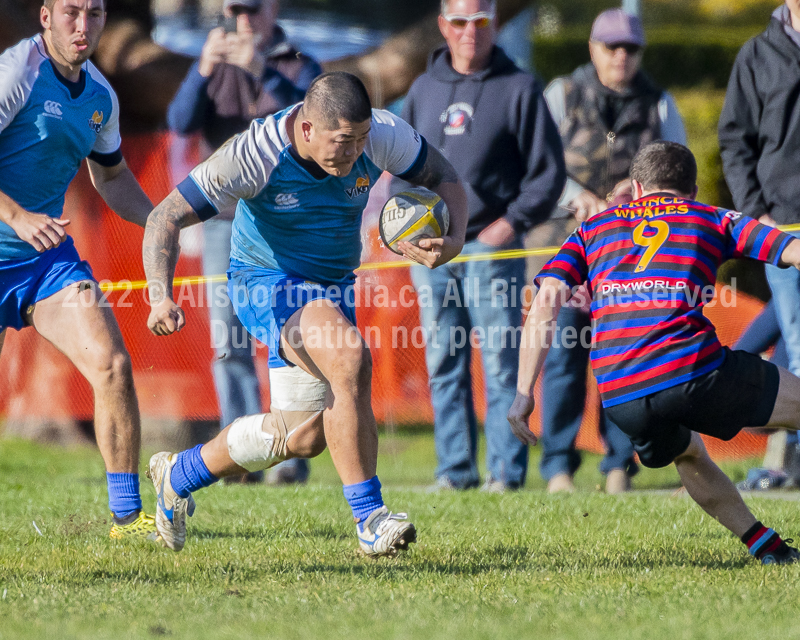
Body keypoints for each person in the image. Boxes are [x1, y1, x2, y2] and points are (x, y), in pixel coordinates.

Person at [142, 72, 468, 555]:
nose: (356, 152)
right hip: (265, 282)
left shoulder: (381, 133)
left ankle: (178, 475)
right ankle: (370, 519)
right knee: (349, 360)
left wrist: (455, 237)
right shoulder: (255, 154)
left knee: (299, 436)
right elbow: (164, 216)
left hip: (334, 287)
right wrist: (158, 294)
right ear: (309, 129)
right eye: (343, 141)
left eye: (361, 140)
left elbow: (445, 177)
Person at [509, 141, 800, 565]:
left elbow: (548, 294)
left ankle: (769, 548)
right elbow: (791, 252)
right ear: (693, 190)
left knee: (687, 452)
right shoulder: (711, 217)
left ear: (638, 188)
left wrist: (523, 392)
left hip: (621, 395)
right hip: (691, 368)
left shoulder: (594, 228)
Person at [0, 0, 156, 539]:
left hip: (44, 260)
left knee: (112, 366)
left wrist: (161, 220)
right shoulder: (18, 71)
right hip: (13, 236)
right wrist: (18, 217)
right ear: (45, 16)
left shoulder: (101, 96)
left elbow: (110, 180)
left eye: (94, 13)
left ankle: (127, 520)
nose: (83, 26)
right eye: (71, 12)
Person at [400, 0, 566, 492]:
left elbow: (548, 174)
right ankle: (454, 472)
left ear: (494, 24)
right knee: (443, 361)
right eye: (459, 22)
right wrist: (402, 226)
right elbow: (398, 165)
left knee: (499, 361)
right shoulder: (422, 89)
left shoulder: (520, 87)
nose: (469, 32)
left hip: (490, 249)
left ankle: (505, 474)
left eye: (480, 21)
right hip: (430, 250)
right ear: (442, 26)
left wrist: (510, 225)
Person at [167, 0, 322, 485]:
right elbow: (179, 121)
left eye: (252, 9)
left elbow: (311, 120)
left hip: (286, 219)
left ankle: (290, 454)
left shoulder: (297, 59)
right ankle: (242, 459)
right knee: (228, 341)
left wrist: (263, 72)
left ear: (273, 8)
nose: (243, 20)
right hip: (224, 221)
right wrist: (201, 69)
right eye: (235, 10)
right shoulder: (214, 60)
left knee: (292, 336)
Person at [541, 8, 687, 494]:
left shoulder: (659, 103)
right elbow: (537, 165)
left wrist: (645, 190)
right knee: (564, 357)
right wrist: (574, 195)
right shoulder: (562, 94)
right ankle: (557, 466)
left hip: (631, 259)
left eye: (630, 48)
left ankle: (618, 466)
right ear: (592, 48)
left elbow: (679, 176)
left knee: (624, 356)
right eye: (611, 47)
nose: (621, 56)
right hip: (569, 249)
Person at [719, 0, 800, 484]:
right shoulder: (757, 54)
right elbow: (734, 141)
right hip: (783, 231)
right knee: (797, 340)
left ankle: (782, 456)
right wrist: (759, 218)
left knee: (785, 343)